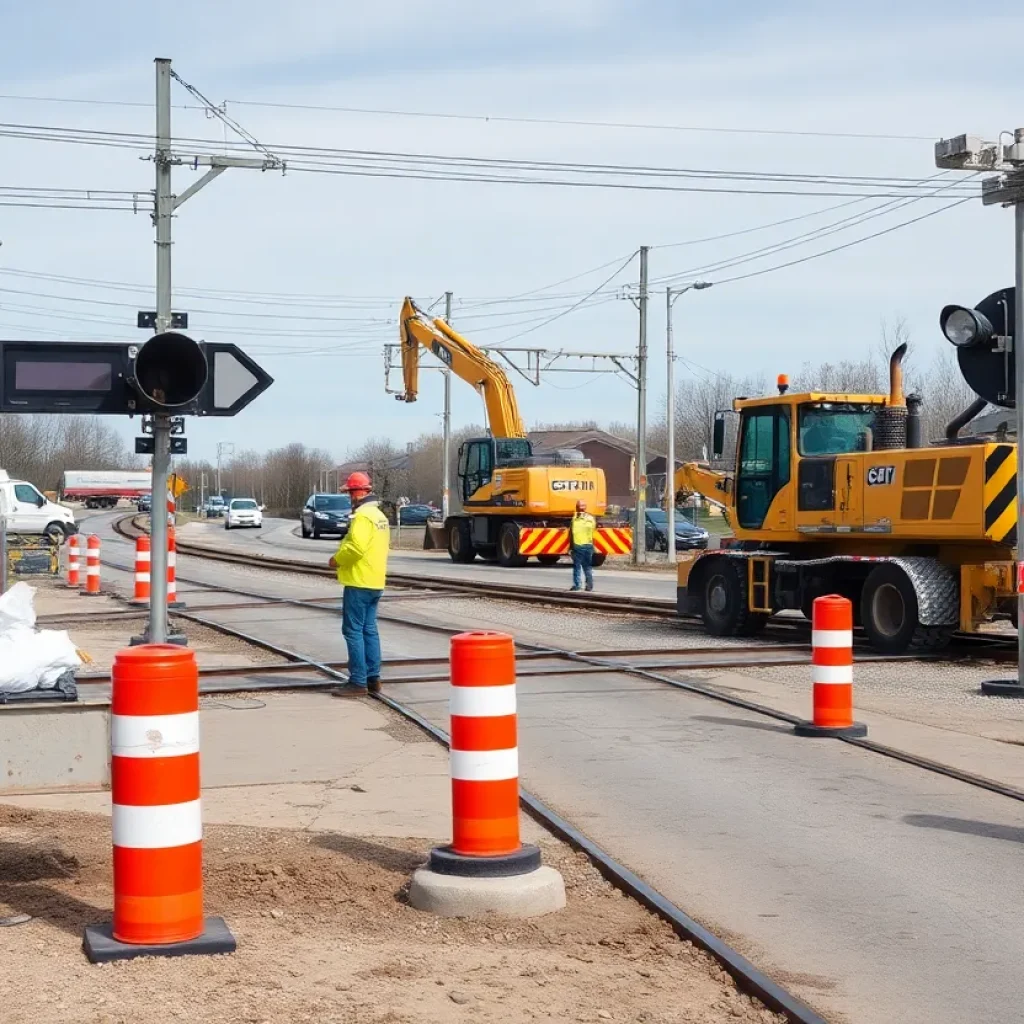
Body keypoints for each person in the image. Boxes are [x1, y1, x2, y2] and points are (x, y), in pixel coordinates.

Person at [328, 471, 390, 696]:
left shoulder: (363, 517)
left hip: (359, 580)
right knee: (369, 630)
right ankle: (373, 678)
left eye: (350, 493)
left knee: (353, 630)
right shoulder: (379, 516)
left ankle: (357, 682)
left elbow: (356, 548)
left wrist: (336, 560)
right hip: (375, 580)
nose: (349, 498)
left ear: (356, 493)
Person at [569, 499, 596, 592]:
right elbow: (593, 530)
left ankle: (577, 585)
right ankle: (589, 586)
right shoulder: (591, 518)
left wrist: (571, 547)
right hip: (588, 545)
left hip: (578, 545)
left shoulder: (574, 519)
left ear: (576, 507)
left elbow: (572, 533)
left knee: (577, 566)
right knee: (587, 566)